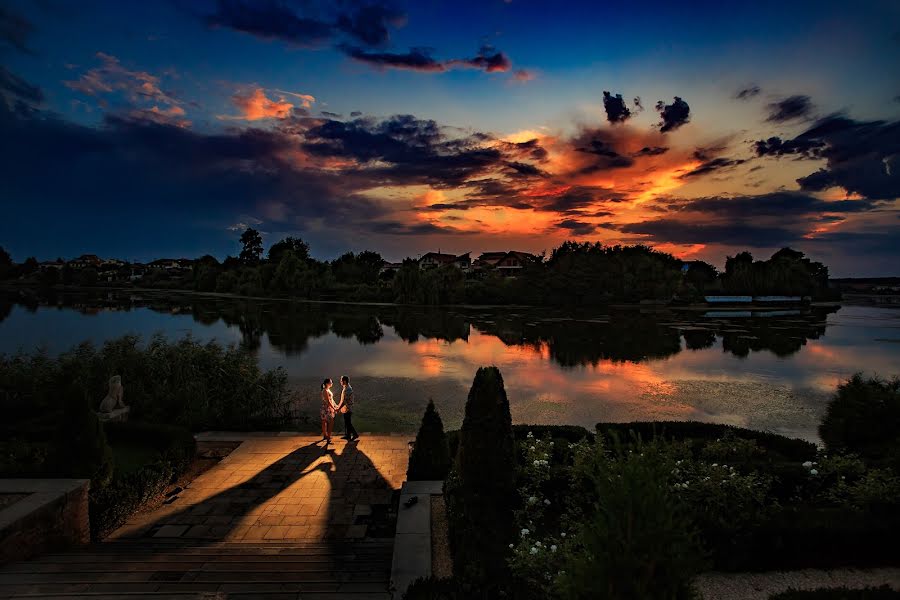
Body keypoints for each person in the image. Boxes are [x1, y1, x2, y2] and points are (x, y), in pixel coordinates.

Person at [336, 375, 359, 441]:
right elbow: (342, 400)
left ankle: (355, 434)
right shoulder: (346, 388)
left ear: (344, 381)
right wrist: (339, 406)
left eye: (341, 381)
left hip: (348, 408)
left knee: (348, 422)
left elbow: (343, 401)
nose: (340, 382)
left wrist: (338, 408)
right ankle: (348, 435)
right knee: (347, 422)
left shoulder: (347, 389)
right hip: (346, 408)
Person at [320, 378, 337, 443]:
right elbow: (328, 401)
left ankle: (325, 435)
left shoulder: (327, 390)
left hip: (327, 408)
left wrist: (336, 405)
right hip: (326, 408)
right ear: (327, 383)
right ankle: (328, 437)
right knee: (330, 422)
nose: (332, 383)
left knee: (325, 422)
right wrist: (333, 408)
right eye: (331, 382)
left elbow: (331, 399)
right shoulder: (325, 391)